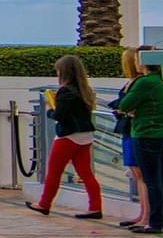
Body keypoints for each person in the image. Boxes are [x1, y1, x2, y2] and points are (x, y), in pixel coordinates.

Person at [28, 55, 104, 221]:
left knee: (54, 172)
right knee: (86, 174)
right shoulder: (85, 90)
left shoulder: (65, 91)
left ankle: (44, 203)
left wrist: (50, 109)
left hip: (68, 136)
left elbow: (60, 115)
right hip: (85, 136)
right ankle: (95, 207)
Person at [116, 56, 163, 234]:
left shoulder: (144, 82)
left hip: (146, 134)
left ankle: (154, 222)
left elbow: (124, 104)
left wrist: (129, 109)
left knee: (152, 180)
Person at [112, 47, 149, 230]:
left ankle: (146, 215)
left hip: (135, 130)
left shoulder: (139, 83)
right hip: (129, 130)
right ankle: (142, 213)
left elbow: (126, 105)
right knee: (137, 174)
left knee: (141, 175)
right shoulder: (134, 83)